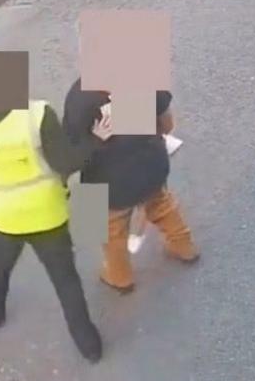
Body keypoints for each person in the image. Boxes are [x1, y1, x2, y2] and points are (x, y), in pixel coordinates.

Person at [0, 91, 110, 362]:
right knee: (65, 280)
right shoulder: (36, 116)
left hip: (3, 215)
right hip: (46, 213)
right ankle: (88, 344)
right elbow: (66, 163)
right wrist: (94, 140)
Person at [62, 82, 199, 294]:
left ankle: (119, 277)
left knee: (110, 232)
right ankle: (184, 247)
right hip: (152, 165)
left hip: (108, 183)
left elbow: (72, 151)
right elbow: (167, 124)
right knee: (162, 204)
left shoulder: (81, 97)